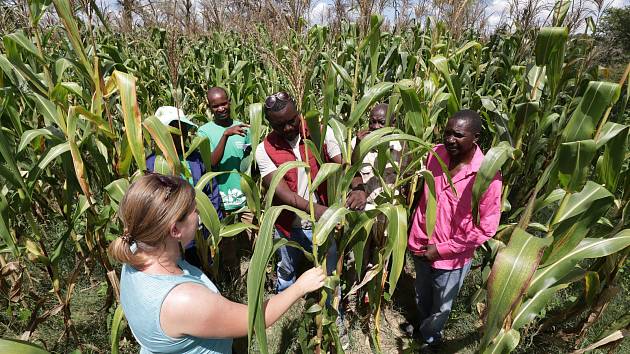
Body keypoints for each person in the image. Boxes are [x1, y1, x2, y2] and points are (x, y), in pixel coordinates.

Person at [108, 173, 326, 354]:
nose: (200, 212)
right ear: (175, 230)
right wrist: (300, 287)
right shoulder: (183, 301)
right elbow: (256, 319)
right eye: (194, 210)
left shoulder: (136, 252)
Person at [406, 109, 502, 349]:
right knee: (422, 293)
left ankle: (430, 338)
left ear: (476, 137)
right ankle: (422, 326)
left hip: (450, 258)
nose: (450, 139)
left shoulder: (487, 175)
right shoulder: (436, 153)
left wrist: (441, 250)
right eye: (447, 133)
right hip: (420, 242)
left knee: (441, 306)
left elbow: (486, 227)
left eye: (458, 135)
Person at [255, 91, 368, 292]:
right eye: (280, 125)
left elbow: (344, 166)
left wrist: (358, 187)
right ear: (270, 124)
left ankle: (334, 318)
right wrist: (319, 210)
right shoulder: (264, 149)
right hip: (287, 224)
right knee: (286, 272)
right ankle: (283, 311)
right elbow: (282, 193)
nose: (288, 128)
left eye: (292, 121)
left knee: (329, 274)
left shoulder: (321, 133)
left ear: (298, 112)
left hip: (322, 224)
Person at [146, 106, 222, 269]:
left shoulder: (195, 157)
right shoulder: (152, 163)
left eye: (185, 128)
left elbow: (211, 189)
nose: (183, 133)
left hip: (200, 232)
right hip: (169, 237)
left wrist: (213, 221)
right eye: (177, 128)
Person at [198, 87, 252, 277]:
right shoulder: (204, 132)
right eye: (216, 106)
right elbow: (211, 162)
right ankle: (231, 286)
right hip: (221, 198)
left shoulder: (243, 128)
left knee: (252, 242)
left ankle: (252, 281)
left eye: (223, 103)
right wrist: (225, 135)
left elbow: (249, 160)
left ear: (229, 102)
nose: (221, 108)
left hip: (245, 198)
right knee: (227, 248)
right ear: (210, 108)